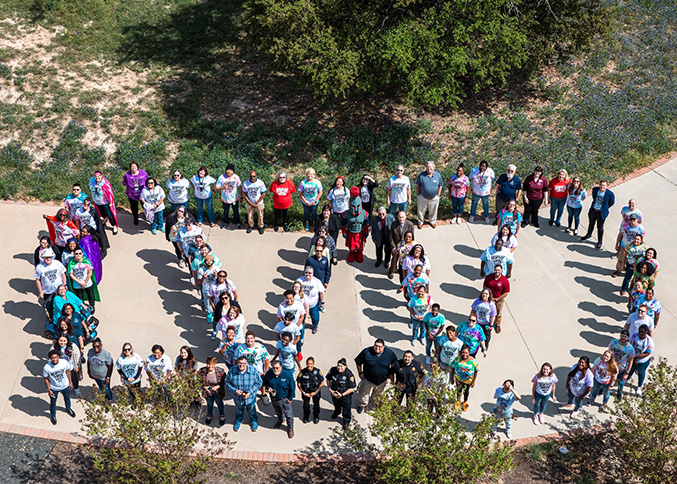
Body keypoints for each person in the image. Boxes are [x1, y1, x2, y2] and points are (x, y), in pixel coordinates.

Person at [354, 339, 398, 413]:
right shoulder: (366, 352)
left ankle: (374, 404)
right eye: (375, 346)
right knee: (363, 393)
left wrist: (390, 374)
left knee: (377, 394)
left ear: (383, 347)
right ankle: (362, 405)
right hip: (367, 379)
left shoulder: (389, 353)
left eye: (379, 347)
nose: (377, 348)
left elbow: (394, 363)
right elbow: (358, 362)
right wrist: (360, 372)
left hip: (382, 380)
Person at [225, 356, 262, 432]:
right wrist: (235, 390)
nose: (242, 365)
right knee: (239, 410)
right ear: (237, 363)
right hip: (237, 397)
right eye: (240, 363)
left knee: (251, 409)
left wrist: (250, 392)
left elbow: (259, 383)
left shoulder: (253, 370)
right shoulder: (232, 370)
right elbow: (227, 382)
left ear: (247, 363)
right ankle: (239, 421)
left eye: (244, 363)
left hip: (250, 397)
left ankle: (254, 421)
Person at [263, 361, 296, 438]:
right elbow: (265, 382)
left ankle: (290, 428)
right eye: (274, 368)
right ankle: (280, 420)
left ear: (281, 367)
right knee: (278, 411)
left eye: (277, 368)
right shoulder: (269, 373)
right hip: (274, 398)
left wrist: (290, 398)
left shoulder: (287, 375)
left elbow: (292, 387)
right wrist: (268, 388)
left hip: (285, 399)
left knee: (289, 415)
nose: (275, 369)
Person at [581, 179, 615, 250]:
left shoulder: (610, 194)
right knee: (591, 223)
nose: (602, 187)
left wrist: (605, 208)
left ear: (606, 186)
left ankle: (600, 242)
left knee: (600, 227)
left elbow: (611, 203)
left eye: (603, 185)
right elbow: (594, 198)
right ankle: (588, 235)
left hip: (601, 213)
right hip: (593, 210)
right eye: (601, 185)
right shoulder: (595, 190)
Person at [43, 350, 75, 425]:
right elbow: (46, 379)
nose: (54, 359)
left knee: (67, 398)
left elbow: (68, 372)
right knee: (53, 402)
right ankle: (53, 415)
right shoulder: (47, 367)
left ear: (58, 357)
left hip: (65, 385)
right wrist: (49, 389)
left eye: (55, 357)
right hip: (54, 388)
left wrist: (70, 382)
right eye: (52, 358)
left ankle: (68, 408)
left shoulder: (64, 362)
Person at [34, 248, 67, 321]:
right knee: (50, 307)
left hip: (59, 290)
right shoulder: (39, 267)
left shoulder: (57, 263)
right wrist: (40, 292)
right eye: (46, 257)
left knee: (63, 305)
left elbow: (63, 274)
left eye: (49, 257)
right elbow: (37, 280)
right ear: (43, 258)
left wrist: (64, 285)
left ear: (52, 257)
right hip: (47, 291)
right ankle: (52, 319)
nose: (48, 258)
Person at [614, 214, 646, 285]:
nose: (632, 221)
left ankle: (630, 274)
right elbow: (620, 234)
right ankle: (618, 270)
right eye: (631, 219)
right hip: (624, 245)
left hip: (635, 248)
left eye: (634, 219)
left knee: (633, 262)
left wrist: (641, 247)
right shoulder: (625, 225)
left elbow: (642, 240)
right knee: (621, 258)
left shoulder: (640, 229)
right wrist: (617, 244)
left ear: (637, 220)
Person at [327, 358, 356, 429]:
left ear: (345, 366)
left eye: (341, 366)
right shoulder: (333, 370)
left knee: (346, 410)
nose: (339, 368)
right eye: (338, 366)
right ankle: (337, 412)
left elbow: (352, 388)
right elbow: (328, 379)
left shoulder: (349, 374)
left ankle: (346, 421)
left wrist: (342, 395)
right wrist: (330, 389)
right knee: (336, 405)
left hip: (345, 396)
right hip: (335, 394)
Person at [344, 186, 370, 263]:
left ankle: (359, 253)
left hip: (360, 232)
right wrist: (344, 232)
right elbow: (343, 224)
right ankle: (351, 253)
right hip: (351, 231)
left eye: (357, 206)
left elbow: (366, 224)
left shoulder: (364, 213)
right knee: (351, 246)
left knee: (360, 246)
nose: (355, 209)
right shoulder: (346, 213)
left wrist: (366, 233)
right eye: (353, 206)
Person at [198, 356, 226, 426]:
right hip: (208, 392)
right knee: (209, 404)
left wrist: (218, 386)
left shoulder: (220, 371)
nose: (210, 366)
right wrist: (204, 387)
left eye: (211, 364)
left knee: (219, 403)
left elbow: (225, 381)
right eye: (208, 364)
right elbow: (199, 381)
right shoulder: (202, 371)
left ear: (215, 364)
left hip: (218, 391)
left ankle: (222, 415)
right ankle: (209, 415)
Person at [296, 266, 326, 334]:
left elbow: (322, 292)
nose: (308, 275)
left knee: (315, 317)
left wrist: (322, 302)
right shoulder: (299, 281)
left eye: (310, 273)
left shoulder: (317, 282)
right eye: (306, 273)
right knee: (301, 318)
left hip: (313, 305)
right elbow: (294, 290)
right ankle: (301, 328)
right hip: (302, 305)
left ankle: (315, 326)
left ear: (313, 273)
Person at [627, 324, 654, 396]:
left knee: (641, 374)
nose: (640, 333)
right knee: (630, 369)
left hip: (642, 362)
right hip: (632, 358)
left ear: (646, 332)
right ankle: (628, 377)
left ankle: (639, 386)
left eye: (642, 332)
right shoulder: (634, 336)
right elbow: (630, 345)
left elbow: (646, 353)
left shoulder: (649, 341)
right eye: (639, 331)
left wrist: (635, 358)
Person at [450, 344, 479, 411]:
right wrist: (451, 378)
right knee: (459, 390)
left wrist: (473, 382)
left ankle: (465, 401)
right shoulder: (457, 359)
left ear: (469, 352)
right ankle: (458, 401)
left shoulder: (473, 361)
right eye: (463, 352)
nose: (464, 354)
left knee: (466, 391)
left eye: (466, 352)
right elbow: (452, 368)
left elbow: (476, 371)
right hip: (458, 379)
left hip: (468, 381)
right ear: (460, 352)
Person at [416, 161, 444, 228]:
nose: (429, 168)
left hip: (434, 198)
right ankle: (420, 222)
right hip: (422, 197)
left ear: (433, 167)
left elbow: (440, 185)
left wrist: (438, 194)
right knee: (420, 211)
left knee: (433, 211)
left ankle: (432, 221)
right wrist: (418, 195)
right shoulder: (422, 175)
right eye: (427, 167)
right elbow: (418, 185)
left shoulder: (437, 175)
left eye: (430, 167)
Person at [297, 356, 324, 424]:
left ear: (313, 364)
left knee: (316, 405)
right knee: (306, 406)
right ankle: (306, 416)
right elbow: (298, 383)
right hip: (306, 392)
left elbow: (322, 383)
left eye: (311, 364)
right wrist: (303, 392)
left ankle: (316, 416)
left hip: (315, 391)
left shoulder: (317, 371)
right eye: (308, 364)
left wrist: (315, 392)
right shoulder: (302, 372)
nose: (309, 365)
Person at [388, 212, 416, 279]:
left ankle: (402, 272)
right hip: (396, 247)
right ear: (397, 217)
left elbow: (412, 237)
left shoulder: (410, 225)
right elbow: (391, 237)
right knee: (394, 260)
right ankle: (391, 271)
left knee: (403, 262)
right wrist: (393, 247)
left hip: (405, 248)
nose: (401, 219)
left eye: (402, 217)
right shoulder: (394, 224)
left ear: (405, 217)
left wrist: (409, 247)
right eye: (400, 217)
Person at [215, 163, 242, 229]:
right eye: (227, 170)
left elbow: (240, 187)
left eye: (230, 170)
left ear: (233, 171)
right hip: (225, 199)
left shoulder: (236, 177)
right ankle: (225, 222)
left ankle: (237, 222)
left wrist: (241, 196)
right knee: (225, 211)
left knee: (235, 211)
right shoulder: (221, 177)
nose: (228, 171)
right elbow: (216, 188)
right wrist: (222, 187)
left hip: (234, 198)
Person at [610, 329, 635, 400]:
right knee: (609, 378)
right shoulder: (613, 342)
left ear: (628, 338)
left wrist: (627, 372)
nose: (623, 338)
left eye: (625, 337)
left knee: (620, 382)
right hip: (612, 365)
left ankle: (619, 393)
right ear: (620, 335)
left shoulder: (630, 348)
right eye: (622, 336)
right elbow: (609, 352)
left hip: (622, 368)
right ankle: (603, 389)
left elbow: (630, 361)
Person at [87, 337, 113, 401]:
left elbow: (110, 366)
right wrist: (89, 371)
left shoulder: (106, 354)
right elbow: (88, 361)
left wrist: (108, 377)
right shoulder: (90, 351)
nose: (96, 348)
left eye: (98, 346)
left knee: (106, 389)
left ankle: (109, 400)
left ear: (101, 345)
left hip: (103, 377)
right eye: (94, 346)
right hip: (95, 376)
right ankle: (105, 397)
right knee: (101, 388)